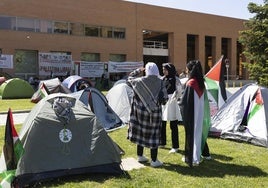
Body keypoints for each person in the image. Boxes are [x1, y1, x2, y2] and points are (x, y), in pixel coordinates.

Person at [126, 62, 168, 168]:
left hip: (139, 113)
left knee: (140, 132)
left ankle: (140, 156)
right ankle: (154, 160)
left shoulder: (138, 81)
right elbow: (165, 99)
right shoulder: (161, 82)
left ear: (147, 70)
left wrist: (139, 70)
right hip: (154, 114)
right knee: (154, 134)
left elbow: (129, 78)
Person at [179, 60, 211, 167]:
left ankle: (192, 158)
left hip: (192, 113)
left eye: (187, 69)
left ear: (190, 70)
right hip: (199, 113)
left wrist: (179, 102)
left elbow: (185, 102)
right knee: (197, 133)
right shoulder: (200, 82)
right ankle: (197, 155)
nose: (186, 70)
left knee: (191, 134)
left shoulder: (191, 83)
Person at [160, 63, 183, 153]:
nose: (164, 71)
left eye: (165, 69)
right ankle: (162, 142)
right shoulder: (162, 79)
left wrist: (174, 98)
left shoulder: (175, 79)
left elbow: (180, 90)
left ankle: (175, 146)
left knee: (173, 125)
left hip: (172, 103)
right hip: (163, 103)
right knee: (162, 123)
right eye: (163, 69)